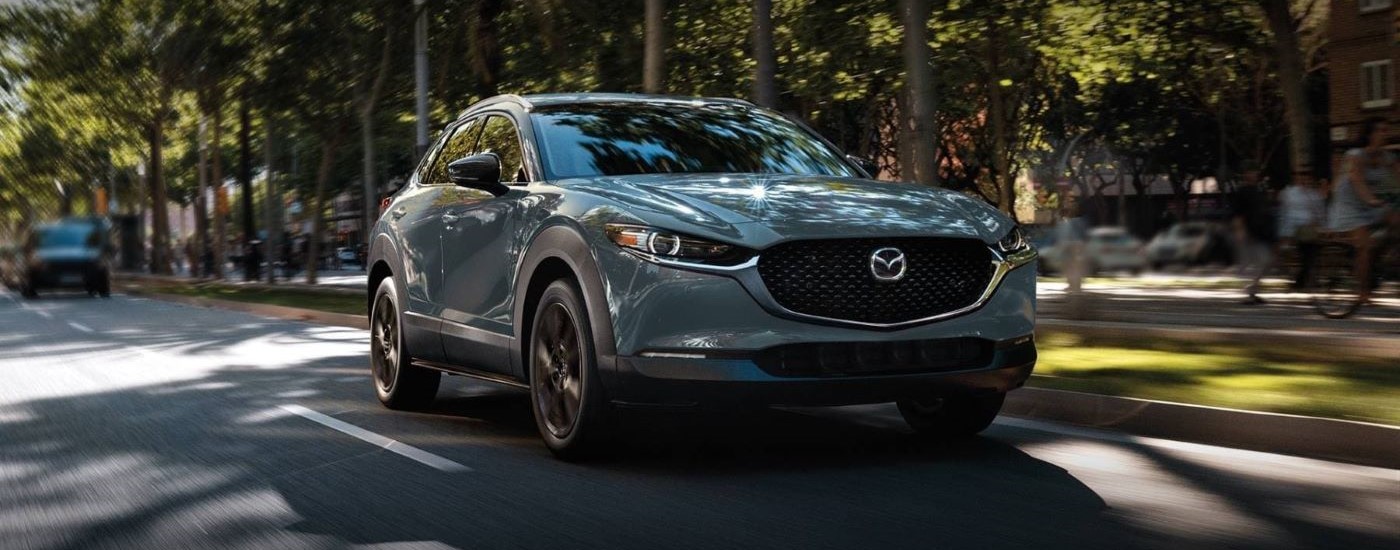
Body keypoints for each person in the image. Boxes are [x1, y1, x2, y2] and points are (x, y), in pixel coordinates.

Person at [1329, 117, 1400, 302]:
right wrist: (1371, 199)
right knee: (1364, 247)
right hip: (1349, 202)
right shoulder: (1356, 155)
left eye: (1386, 130)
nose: (1385, 133)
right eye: (1380, 130)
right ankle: (1362, 292)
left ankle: (1382, 256)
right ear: (1370, 134)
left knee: (1395, 219)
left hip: (1371, 200)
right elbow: (1356, 178)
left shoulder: (1387, 157)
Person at [1232, 163, 1277, 304]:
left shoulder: (1260, 190)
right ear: (1245, 174)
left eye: (1254, 172)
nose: (1252, 175)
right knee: (1252, 262)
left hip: (1262, 231)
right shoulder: (1242, 191)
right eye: (1249, 172)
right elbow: (1237, 213)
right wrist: (1240, 231)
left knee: (1264, 261)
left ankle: (1253, 291)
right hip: (1249, 231)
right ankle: (1250, 292)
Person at [1278, 175, 1327, 289]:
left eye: (1308, 179)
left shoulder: (1314, 195)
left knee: (1310, 256)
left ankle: (1302, 281)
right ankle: (1303, 281)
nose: (1305, 181)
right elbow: (1287, 214)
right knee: (1308, 256)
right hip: (1299, 230)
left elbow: (1319, 212)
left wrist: (1321, 226)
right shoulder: (1291, 193)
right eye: (1303, 179)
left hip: (1310, 230)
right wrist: (1286, 234)